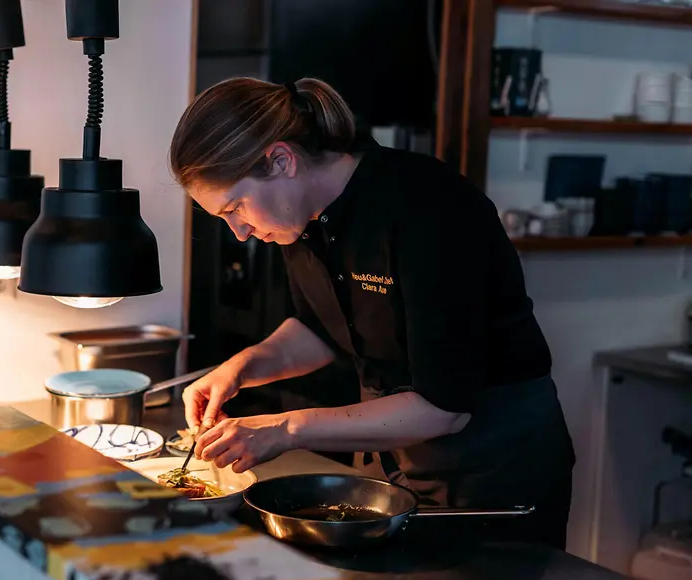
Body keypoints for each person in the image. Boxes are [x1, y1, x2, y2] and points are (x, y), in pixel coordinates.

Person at [168, 76, 575, 549]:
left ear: (282, 160)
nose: (238, 232)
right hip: (394, 463)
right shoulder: (296, 220)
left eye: (236, 208)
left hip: (492, 469)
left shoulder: (426, 208)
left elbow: (444, 408)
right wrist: (240, 369)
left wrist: (284, 428)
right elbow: (321, 328)